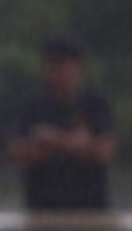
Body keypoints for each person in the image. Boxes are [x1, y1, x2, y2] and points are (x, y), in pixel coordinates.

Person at [6, 37, 117, 210]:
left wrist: (53, 141)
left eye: (61, 67)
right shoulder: (31, 107)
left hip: (90, 210)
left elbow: (104, 153)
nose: (55, 74)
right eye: (50, 67)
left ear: (79, 68)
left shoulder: (96, 105)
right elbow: (15, 154)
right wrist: (76, 144)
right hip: (42, 209)